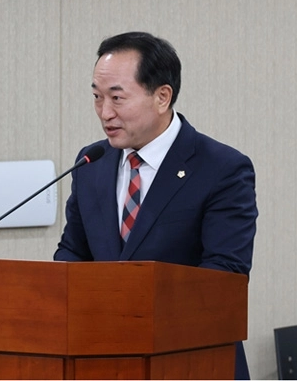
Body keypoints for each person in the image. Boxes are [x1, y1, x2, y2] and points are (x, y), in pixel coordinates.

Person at [53, 31, 257, 379]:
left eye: (117, 98)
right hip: (104, 360)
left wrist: (133, 312)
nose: (105, 112)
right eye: (97, 97)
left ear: (162, 97)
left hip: (191, 361)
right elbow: (73, 253)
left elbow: (224, 276)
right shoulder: (92, 162)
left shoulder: (222, 168)